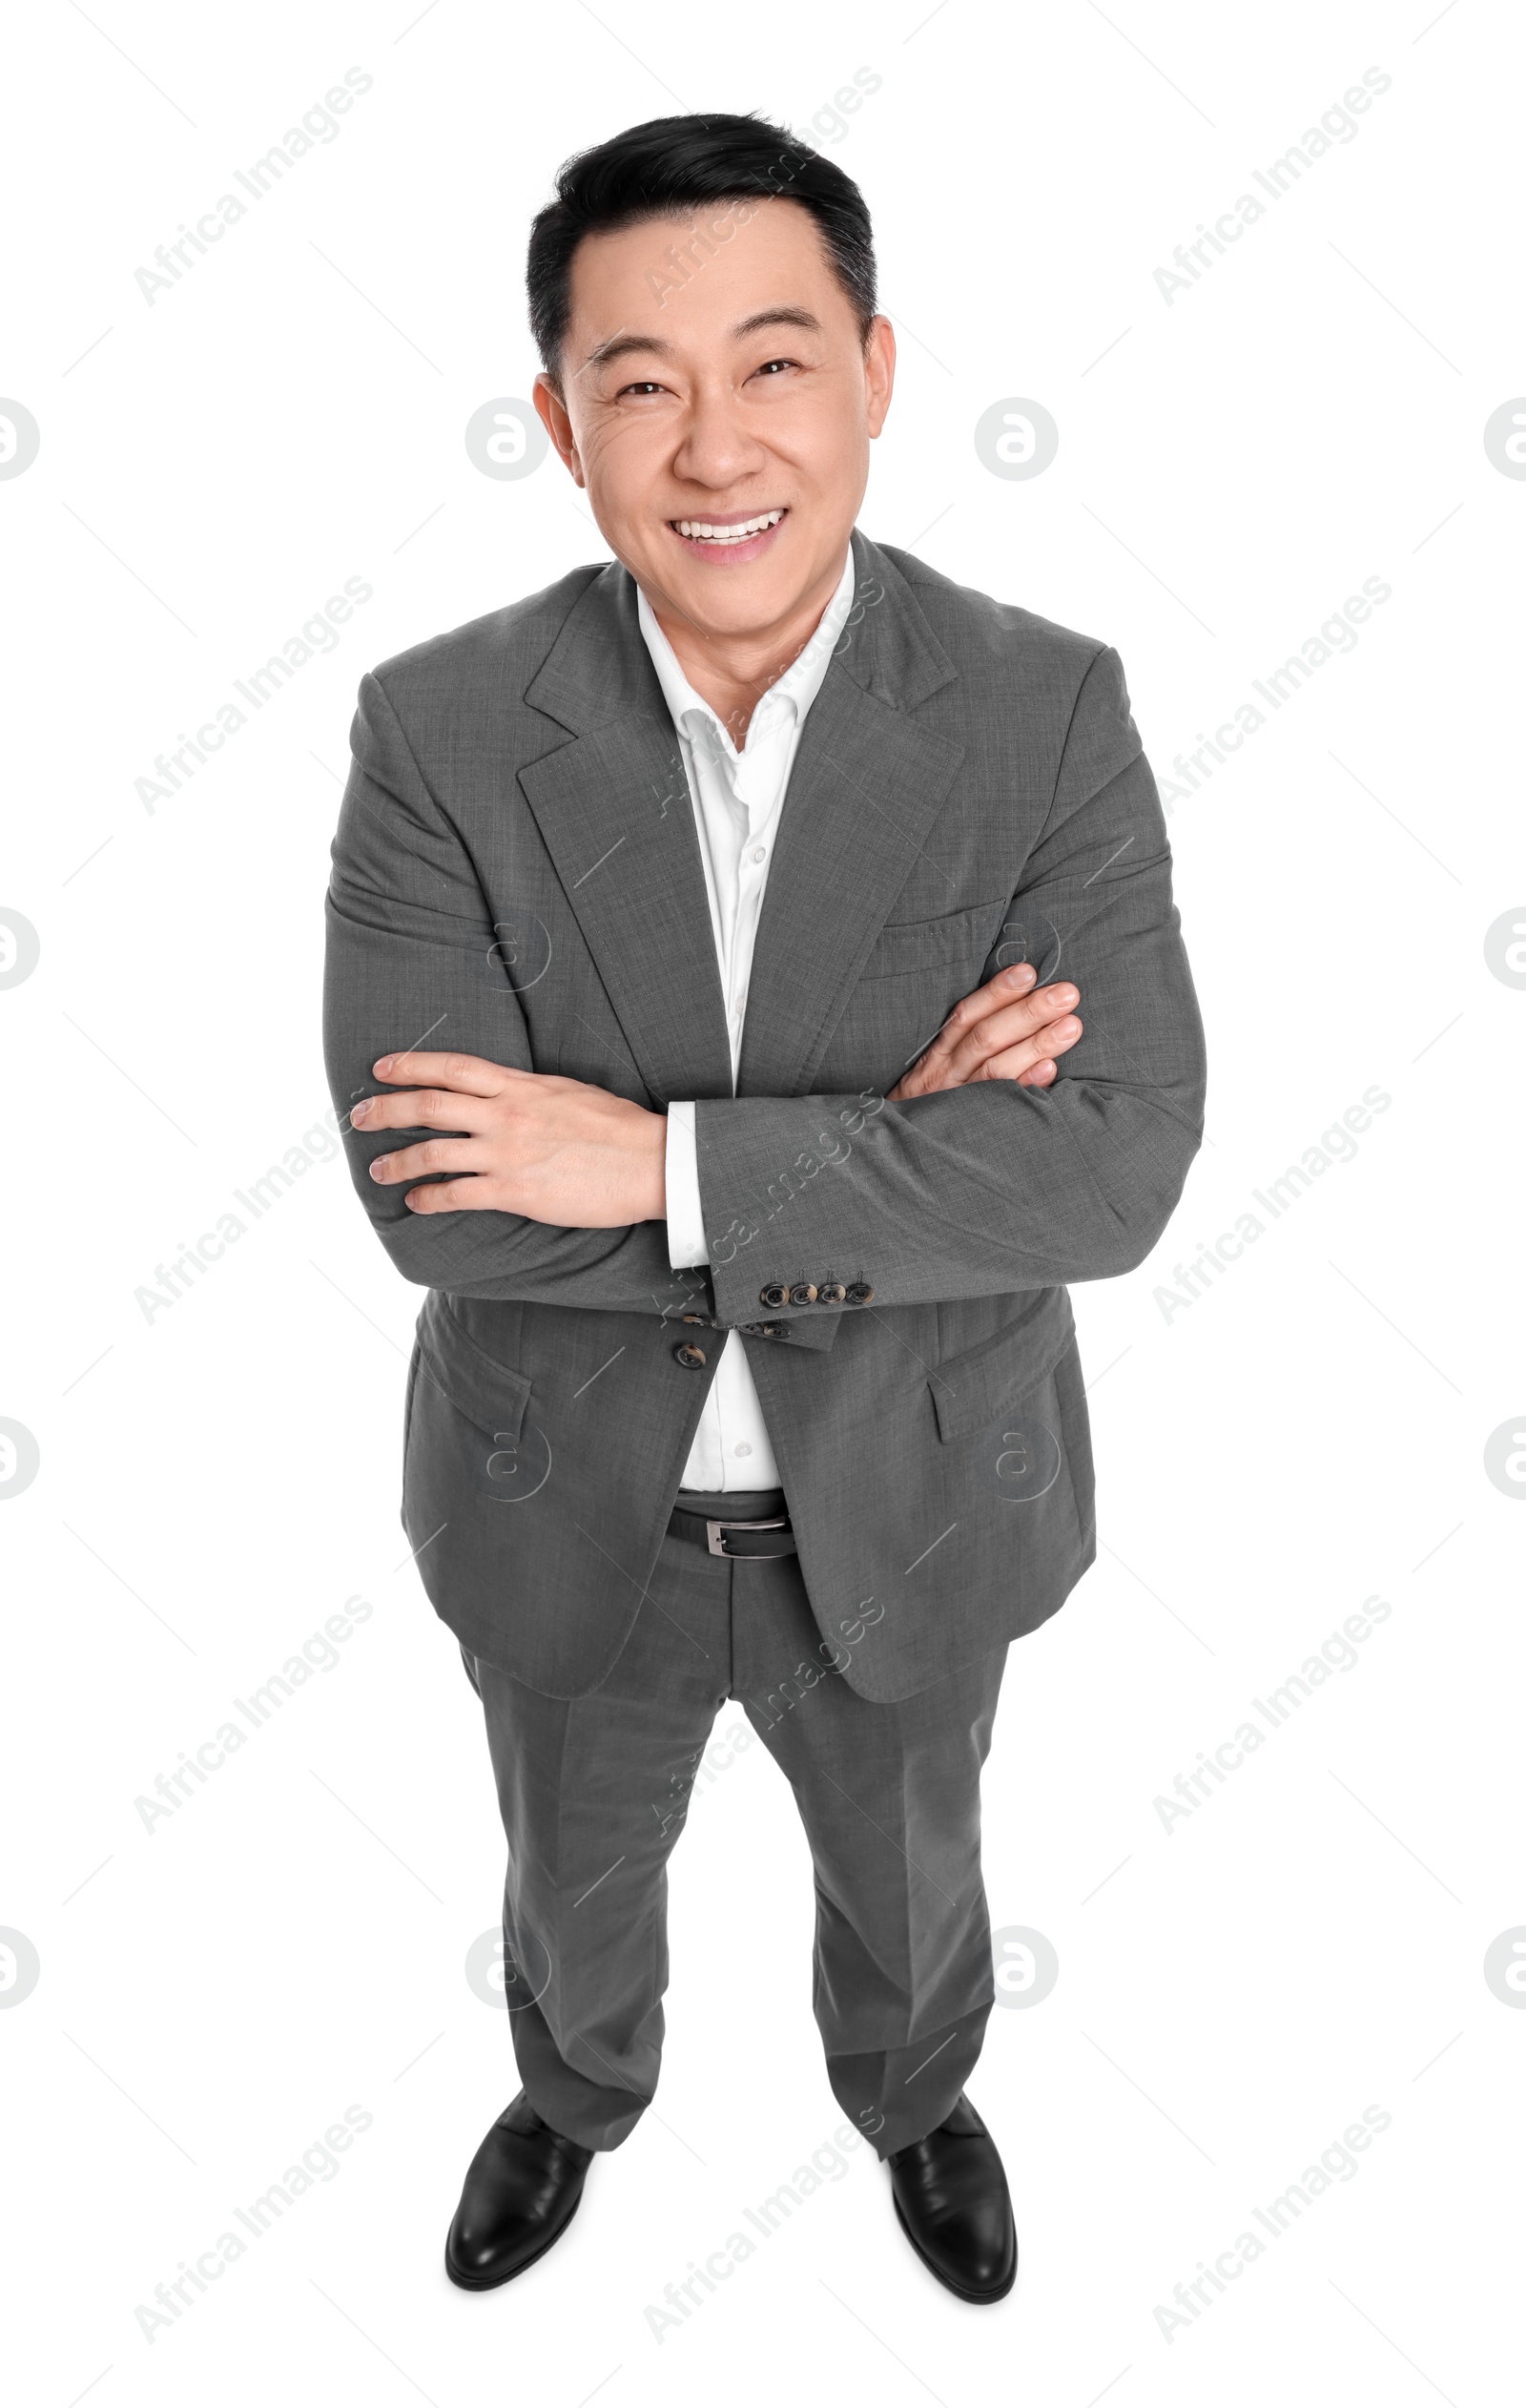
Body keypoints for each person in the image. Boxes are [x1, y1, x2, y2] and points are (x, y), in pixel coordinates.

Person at [322, 110, 1206, 2307]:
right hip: (565, 1501)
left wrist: (648, 1155)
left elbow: (1108, 1164)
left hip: (912, 1482)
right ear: (559, 421)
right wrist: (895, 1137)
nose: (714, 444)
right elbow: (434, 1203)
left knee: (917, 1883)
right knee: (571, 1873)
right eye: (639, 381)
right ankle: (575, 2092)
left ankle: (913, 2100)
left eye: (774, 362)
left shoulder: (1041, 709)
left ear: (878, 377)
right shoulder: (438, 731)